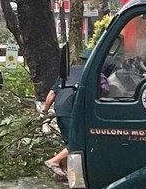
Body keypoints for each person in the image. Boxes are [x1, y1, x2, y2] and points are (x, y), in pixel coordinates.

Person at [41, 50, 101, 181]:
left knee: (69, 141)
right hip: (72, 109)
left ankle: (69, 175)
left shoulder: (68, 72)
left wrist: (44, 111)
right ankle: (54, 162)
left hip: (60, 109)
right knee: (78, 141)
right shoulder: (92, 73)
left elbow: (52, 93)